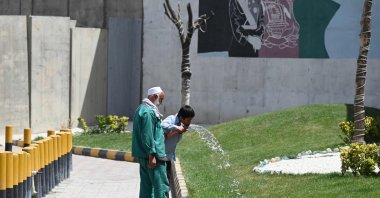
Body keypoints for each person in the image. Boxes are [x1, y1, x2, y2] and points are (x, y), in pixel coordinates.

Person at [132, 87, 169, 198]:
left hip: (144, 155)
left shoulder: (141, 109)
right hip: (154, 156)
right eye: (160, 99)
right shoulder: (148, 112)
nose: (160, 102)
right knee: (161, 186)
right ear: (154, 96)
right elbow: (147, 135)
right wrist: (152, 154)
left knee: (146, 187)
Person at [161, 105, 195, 184]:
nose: (190, 122)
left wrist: (178, 131)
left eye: (191, 120)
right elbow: (162, 125)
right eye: (188, 119)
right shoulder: (171, 119)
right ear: (181, 117)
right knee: (162, 183)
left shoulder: (181, 123)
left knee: (166, 183)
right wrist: (176, 128)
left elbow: (171, 136)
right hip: (161, 157)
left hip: (168, 157)